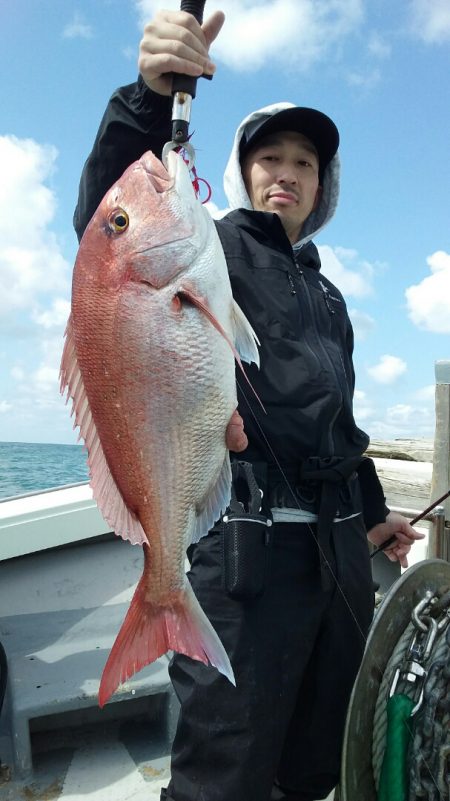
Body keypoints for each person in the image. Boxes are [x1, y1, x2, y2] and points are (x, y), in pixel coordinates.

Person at [74, 10, 424, 801]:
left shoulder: (329, 294)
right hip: (244, 557)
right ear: (241, 171)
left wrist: (373, 517)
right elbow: (111, 225)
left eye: (305, 163)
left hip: (336, 555)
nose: (286, 173)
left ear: (323, 186)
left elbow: (341, 426)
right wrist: (148, 97)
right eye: (270, 158)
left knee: (317, 757)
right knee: (223, 765)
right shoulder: (212, 248)